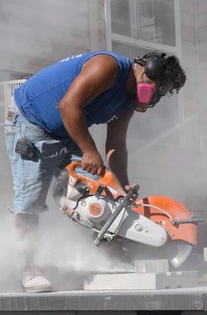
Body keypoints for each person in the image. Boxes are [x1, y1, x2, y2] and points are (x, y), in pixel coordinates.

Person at [4, 50, 186, 292]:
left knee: (100, 193)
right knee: (30, 201)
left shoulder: (127, 101)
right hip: (31, 122)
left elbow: (116, 145)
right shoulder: (107, 67)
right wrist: (89, 151)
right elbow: (68, 106)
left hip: (65, 130)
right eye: (161, 88)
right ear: (149, 72)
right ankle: (28, 268)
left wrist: (122, 186)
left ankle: (114, 259)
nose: (159, 95)